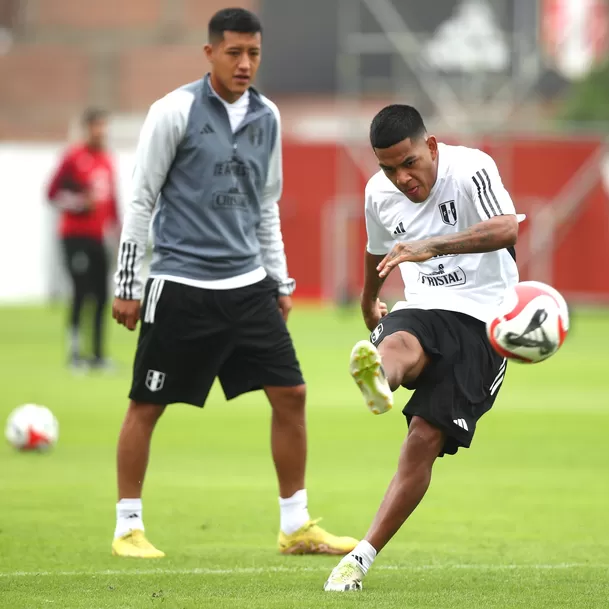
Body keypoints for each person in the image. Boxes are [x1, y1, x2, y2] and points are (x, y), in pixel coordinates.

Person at [110, 7, 358, 559]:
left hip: (248, 287)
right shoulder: (172, 112)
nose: (245, 64)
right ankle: (127, 526)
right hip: (179, 283)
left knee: (291, 394)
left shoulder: (268, 117)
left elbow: (265, 206)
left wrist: (280, 280)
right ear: (209, 54)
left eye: (254, 54)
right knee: (146, 405)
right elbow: (141, 199)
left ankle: (295, 526)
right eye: (234, 53)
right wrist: (127, 282)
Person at [324, 104, 523, 591]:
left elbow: (506, 228)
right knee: (399, 341)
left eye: (409, 162)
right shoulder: (378, 193)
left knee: (423, 442)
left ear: (430, 146)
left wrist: (432, 246)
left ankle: (360, 557)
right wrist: (370, 302)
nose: (401, 177)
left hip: (483, 318)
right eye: (388, 168)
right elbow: (378, 250)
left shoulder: (471, 167)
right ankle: (379, 377)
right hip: (425, 303)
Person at [47, 108, 119, 371]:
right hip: (74, 236)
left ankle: (98, 355)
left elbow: (112, 201)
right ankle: (75, 354)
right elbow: (52, 193)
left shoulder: (107, 160)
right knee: (80, 292)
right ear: (86, 128)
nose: (101, 132)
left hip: (99, 238)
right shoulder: (73, 158)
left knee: (101, 295)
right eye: (96, 127)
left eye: (104, 127)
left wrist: (118, 231)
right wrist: (79, 203)